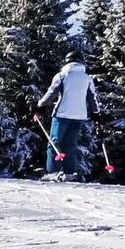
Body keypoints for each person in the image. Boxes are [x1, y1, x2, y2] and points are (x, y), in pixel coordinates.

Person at [36, 52, 97, 181]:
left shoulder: (62, 75)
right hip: (79, 116)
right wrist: (96, 114)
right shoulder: (87, 78)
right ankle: (70, 173)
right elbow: (92, 98)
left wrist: (39, 107)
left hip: (62, 114)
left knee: (54, 143)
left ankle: (53, 172)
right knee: (71, 144)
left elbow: (51, 93)